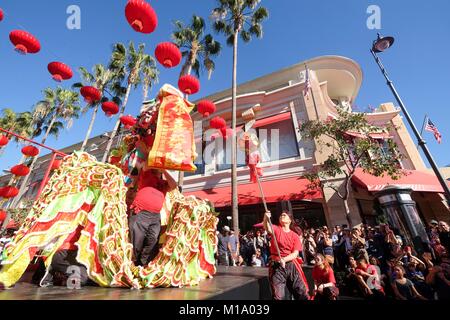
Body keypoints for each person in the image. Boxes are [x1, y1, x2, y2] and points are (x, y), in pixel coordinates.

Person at [128, 170, 176, 266]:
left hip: (155, 216)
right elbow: (145, 164)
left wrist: (165, 169)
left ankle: (143, 264)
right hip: (141, 211)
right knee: (136, 241)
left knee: (152, 240)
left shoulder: (164, 183)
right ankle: (133, 264)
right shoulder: (147, 174)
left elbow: (174, 185)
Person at [263, 210, 309, 300]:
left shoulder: (294, 235)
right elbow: (267, 227)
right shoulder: (276, 229)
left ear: (289, 220)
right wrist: (266, 218)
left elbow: (295, 253)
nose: (281, 216)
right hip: (277, 266)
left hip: (291, 265)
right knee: (278, 296)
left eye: (284, 215)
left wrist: (284, 259)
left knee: (301, 292)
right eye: (280, 215)